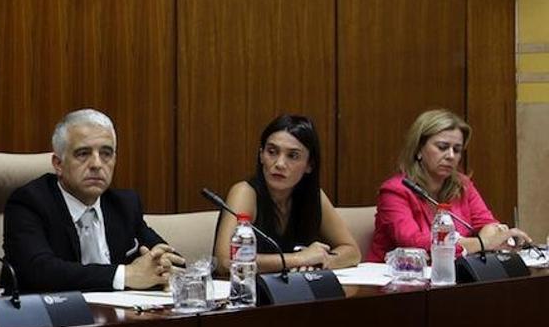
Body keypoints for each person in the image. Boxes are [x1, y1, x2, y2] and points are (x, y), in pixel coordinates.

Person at [3, 109, 184, 292]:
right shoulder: (29, 203)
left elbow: (172, 259)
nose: (97, 164)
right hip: (54, 317)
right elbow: (39, 272)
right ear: (58, 164)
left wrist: (163, 266)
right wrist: (125, 275)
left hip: (120, 315)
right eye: (83, 153)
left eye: (106, 153)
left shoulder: (124, 205)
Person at [367, 109, 531, 262]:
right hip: (397, 283)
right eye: (442, 147)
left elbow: (489, 224)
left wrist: (488, 237)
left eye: (457, 150)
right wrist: (482, 244)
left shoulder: (462, 185)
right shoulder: (395, 191)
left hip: (452, 278)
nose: (451, 156)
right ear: (418, 149)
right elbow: (414, 243)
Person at [214, 115, 361, 275]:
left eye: (293, 156)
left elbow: (352, 252)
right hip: (247, 294)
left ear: (309, 165)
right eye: (272, 152)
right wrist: (298, 259)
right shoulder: (245, 193)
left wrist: (323, 260)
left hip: (295, 294)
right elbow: (225, 262)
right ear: (261, 155)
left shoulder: (313, 195)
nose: (280, 164)